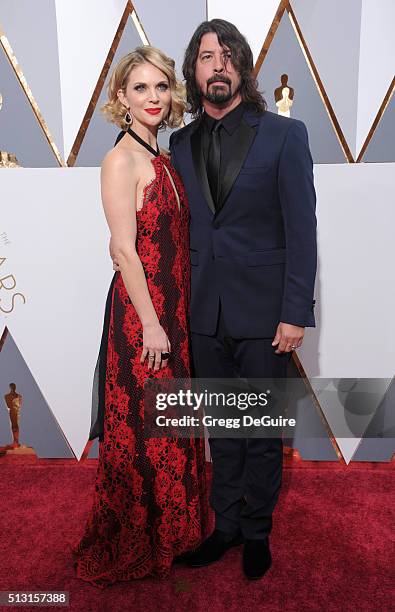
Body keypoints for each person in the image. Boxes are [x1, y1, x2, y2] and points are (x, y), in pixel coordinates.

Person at [167, 20, 317, 580]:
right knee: (224, 433)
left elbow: (302, 231)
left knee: (260, 432)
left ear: (243, 67)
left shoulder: (285, 135)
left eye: (229, 55)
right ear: (194, 71)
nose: (219, 65)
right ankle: (224, 525)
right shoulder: (179, 145)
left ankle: (257, 533)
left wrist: (295, 312)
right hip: (204, 315)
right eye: (208, 56)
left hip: (265, 316)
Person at [72, 46, 210, 588]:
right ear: (121, 99)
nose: (153, 98)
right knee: (144, 425)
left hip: (171, 311)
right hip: (142, 316)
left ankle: (174, 531)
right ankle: (144, 533)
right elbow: (124, 250)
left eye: (160, 87)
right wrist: (151, 324)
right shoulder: (120, 160)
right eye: (140, 89)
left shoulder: (164, 156)